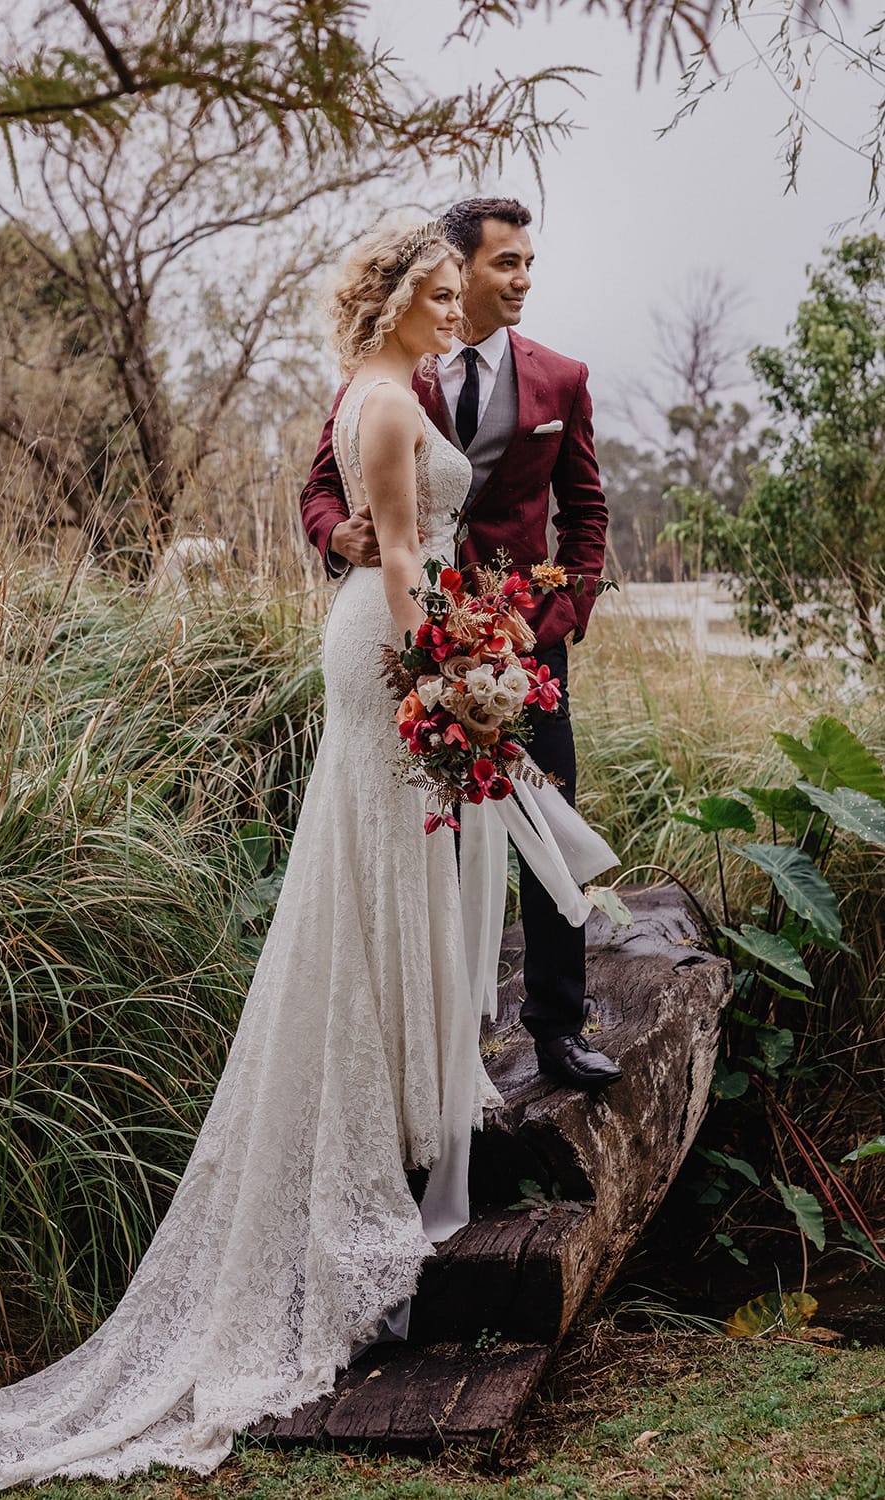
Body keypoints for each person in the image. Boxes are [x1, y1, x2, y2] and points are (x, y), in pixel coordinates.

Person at [0, 221, 613, 1490]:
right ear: (397, 296)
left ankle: (408, 1094)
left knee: (398, 872)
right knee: (381, 872)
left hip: (414, 642)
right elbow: (396, 547)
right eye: (439, 291)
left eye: (463, 291)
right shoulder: (383, 401)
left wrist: (478, 643)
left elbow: (462, 530)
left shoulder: (384, 384)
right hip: (397, 651)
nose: (458, 308)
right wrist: (447, 673)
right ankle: (376, 1122)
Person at [300, 197, 620, 1091]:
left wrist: (553, 622)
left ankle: (557, 1026)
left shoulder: (561, 377)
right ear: (458, 268)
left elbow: (586, 515)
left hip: (525, 648)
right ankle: (442, 1035)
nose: (523, 280)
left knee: (544, 816)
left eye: (529, 264)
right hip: (417, 634)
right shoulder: (396, 370)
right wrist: (338, 536)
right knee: (426, 833)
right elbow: (321, 487)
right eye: (505, 263)